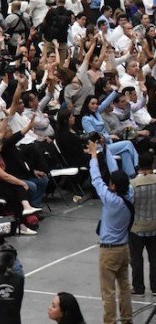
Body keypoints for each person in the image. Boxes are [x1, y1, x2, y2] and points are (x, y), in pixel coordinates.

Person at [89, 134, 135, 324]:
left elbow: (96, 179)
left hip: (109, 250)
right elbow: (115, 170)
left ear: (114, 186)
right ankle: (127, 318)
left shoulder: (111, 200)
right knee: (124, 286)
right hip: (124, 248)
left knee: (108, 291)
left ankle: (110, 321)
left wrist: (93, 155)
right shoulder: (129, 194)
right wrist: (106, 147)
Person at [131, 151, 156, 295]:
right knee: (154, 258)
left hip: (137, 227)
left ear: (139, 165)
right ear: (152, 163)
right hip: (155, 226)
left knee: (136, 259)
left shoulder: (133, 184)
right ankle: (155, 287)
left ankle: (138, 287)